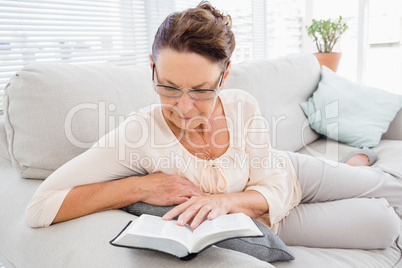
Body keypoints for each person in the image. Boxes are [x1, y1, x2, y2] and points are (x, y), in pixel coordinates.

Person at [26, 1, 401, 249]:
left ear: (224, 76)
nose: (185, 108)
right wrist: (139, 186)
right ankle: (352, 167)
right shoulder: (137, 135)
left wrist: (226, 201)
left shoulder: (242, 105)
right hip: (268, 218)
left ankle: (357, 162)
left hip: (290, 173)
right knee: (383, 224)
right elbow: (40, 207)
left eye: (202, 90)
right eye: (169, 87)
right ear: (152, 68)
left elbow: (271, 178)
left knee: (388, 187)